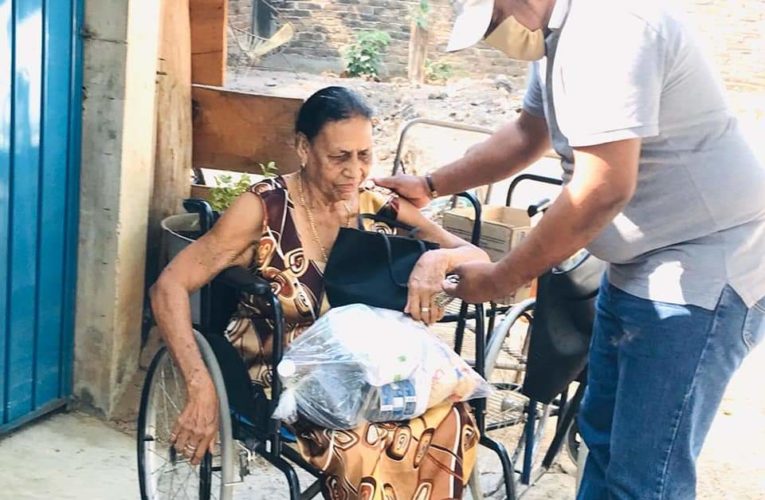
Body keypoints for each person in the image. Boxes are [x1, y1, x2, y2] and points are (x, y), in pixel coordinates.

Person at [375, 0, 765, 498]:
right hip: (637, 264)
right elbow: (525, 135)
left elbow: (601, 189)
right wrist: (432, 183)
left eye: (494, 19)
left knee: (646, 476)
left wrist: (501, 279)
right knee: (600, 442)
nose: (497, 33)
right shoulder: (559, 40)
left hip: (701, 266)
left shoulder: (610, 28)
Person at [150, 86, 489, 499]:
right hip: (286, 374)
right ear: (304, 148)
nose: (355, 171)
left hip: (370, 372)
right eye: (340, 157)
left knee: (452, 418)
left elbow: (475, 256)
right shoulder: (265, 209)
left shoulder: (376, 205)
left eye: (365, 155)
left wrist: (438, 261)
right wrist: (199, 383)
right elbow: (169, 285)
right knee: (363, 445)